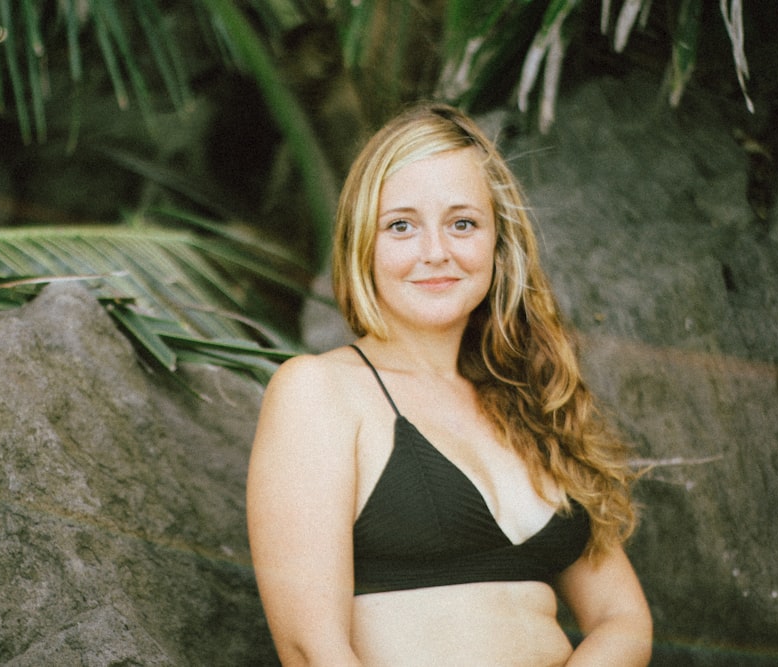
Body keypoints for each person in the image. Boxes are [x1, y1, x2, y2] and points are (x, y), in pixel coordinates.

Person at [246, 102, 652, 666]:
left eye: (462, 223)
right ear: (362, 242)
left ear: (496, 243)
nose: (436, 252)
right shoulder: (318, 392)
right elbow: (311, 649)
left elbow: (621, 618)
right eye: (401, 226)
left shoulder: (529, 399)